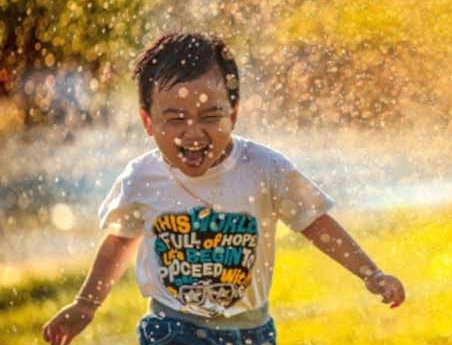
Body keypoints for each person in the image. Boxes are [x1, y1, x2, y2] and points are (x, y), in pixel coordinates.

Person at [42, 32, 405, 345]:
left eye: (210, 116)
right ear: (148, 121)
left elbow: (314, 221)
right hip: (171, 329)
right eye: (175, 119)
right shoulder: (142, 178)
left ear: (233, 113)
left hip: (251, 333)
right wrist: (86, 304)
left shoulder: (264, 168)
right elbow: (120, 240)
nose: (193, 133)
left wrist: (370, 273)